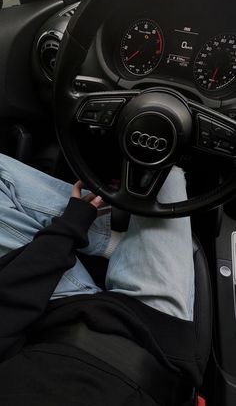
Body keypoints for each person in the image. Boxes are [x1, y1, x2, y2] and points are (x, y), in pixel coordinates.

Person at [0, 153, 201, 406]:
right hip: (156, 336)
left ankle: (109, 237)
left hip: (62, 313)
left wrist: (71, 226)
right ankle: (117, 238)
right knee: (163, 163)